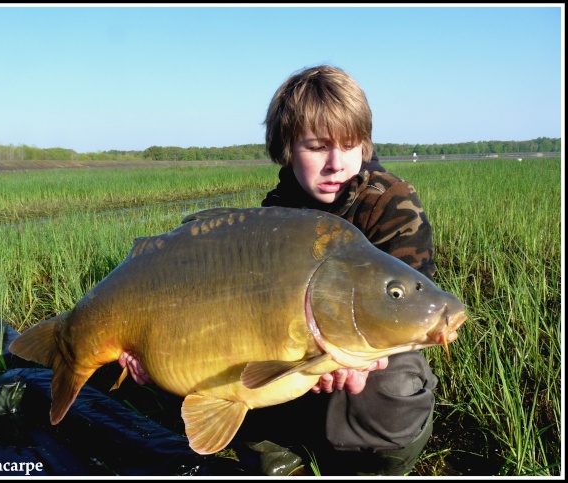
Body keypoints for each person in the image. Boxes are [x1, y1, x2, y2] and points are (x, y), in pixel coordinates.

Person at [120, 64, 441, 476]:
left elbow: (412, 313)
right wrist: (152, 351)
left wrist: (356, 363)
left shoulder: (391, 203)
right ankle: (273, 448)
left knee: (394, 381)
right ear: (287, 149)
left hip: (363, 351)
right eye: (316, 146)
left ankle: (372, 467)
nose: (336, 163)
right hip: (293, 348)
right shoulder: (275, 213)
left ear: (365, 144)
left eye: (349, 145)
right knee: (208, 355)